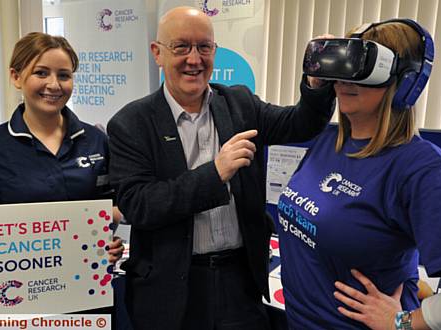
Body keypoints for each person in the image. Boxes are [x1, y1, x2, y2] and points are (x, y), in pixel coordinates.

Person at [275, 19, 441, 329]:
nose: (346, 79)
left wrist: (402, 323)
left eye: (364, 68)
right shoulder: (330, 142)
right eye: (343, 65)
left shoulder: (418, 168)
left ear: (405, 83)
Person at [107, 6, 334, 330]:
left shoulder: (239, 103)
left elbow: (301, 124)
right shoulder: (132, 123)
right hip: (170, 293)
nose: (194, 59)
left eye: (204, 47)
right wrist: (215, 173)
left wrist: (316, 82)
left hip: (240, 283)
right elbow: (140, 205)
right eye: (181, 47)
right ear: (158, 53)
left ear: (215, 51)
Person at [0, 32, 124, 312]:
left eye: (64, 75)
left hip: (84, 291)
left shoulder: (95, 141)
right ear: (16, 76)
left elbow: (110, 206)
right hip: (17, 297)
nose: (54, 85)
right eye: (41, 73)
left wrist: (108, 239)